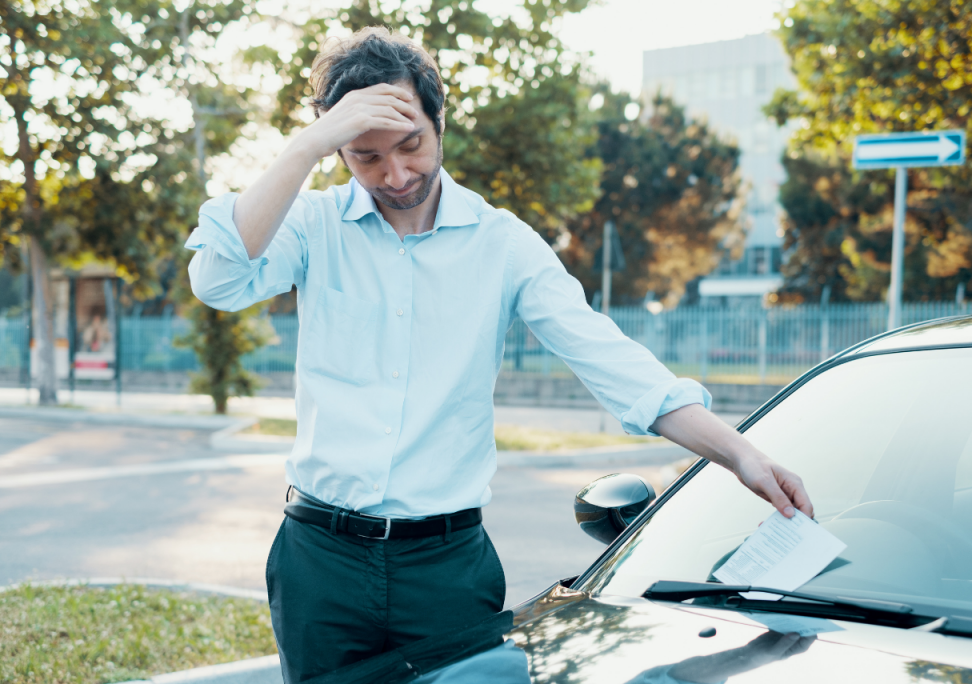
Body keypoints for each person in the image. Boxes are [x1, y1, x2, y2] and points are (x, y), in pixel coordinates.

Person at [185, 27, 814, 683]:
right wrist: (309, 143)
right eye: (364, 156)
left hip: (447, 569)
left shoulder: (503, 244)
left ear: (440, 120)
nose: (396, 175)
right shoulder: (311, 225)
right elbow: (218, 280)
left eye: (411, 145)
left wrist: (741, 453)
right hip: (322, 563)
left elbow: (612, 362)